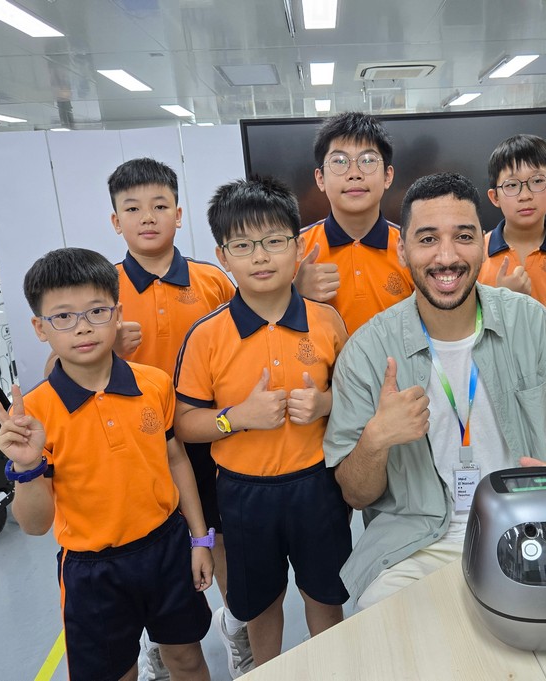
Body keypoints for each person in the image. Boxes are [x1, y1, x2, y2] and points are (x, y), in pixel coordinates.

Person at [323, 172, 546, 609]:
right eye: (427, 239)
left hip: (529, 528)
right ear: (402, 250)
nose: (446, 257)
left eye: (463, 237)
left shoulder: (532, 324)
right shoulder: (367, 351)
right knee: (382, 618)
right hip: (415, 543)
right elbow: (356, 494)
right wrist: (376, 439)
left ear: (482, 245)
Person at [0, 248, 213, 681]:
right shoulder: (34, 414)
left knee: (186, 658)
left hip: (166, 547)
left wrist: (200, 539)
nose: (83, 327)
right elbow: (35, 525)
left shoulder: (154, 383)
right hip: (93, 571)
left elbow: (176, 459)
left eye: (96, 311)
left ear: (118, 314)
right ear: (39, 328)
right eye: (63, 316)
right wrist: (28, 467)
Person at [173, 176, 351, 668]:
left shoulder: (326, 321)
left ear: (298, 247)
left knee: (325, 594)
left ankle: (331, 670)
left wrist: (325, 404)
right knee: (260, 604)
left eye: (274, 241)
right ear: (223, 256)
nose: (260, 256)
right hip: (243, 493)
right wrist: (236, 418)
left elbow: (354, 397)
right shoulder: (207, 335)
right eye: (243, 245)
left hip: (317, 485)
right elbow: (184, 423)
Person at [107, 158, 246, 677]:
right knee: (154, 546)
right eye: (132, 209)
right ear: (115, 221)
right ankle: (158, 642)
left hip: (207, 438)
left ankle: (238, 630)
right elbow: (60, 368)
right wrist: (108, 352)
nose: (148, 217)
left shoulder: (213, 281)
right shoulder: (103, 289)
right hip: (138, 447)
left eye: (160, 205)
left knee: (220, 538)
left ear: (179, 214)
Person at [295, 111, 414, 332]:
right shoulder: (295, 249)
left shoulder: (412, 246)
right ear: (320, 179)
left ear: (387, 176)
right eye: (339, 161)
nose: (354, 174)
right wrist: (295, 293)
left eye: (367, 160)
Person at [477, 134, 546, 313]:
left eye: (537, 181)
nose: (525, 195)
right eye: (511, 185)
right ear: (495, 197)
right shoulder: (477, 253)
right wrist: (502, 299)